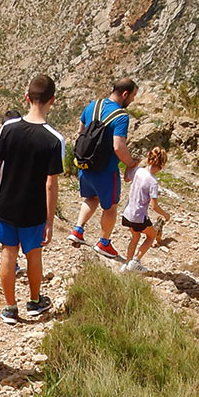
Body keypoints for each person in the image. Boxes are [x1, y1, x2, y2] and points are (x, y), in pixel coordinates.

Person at [0, 74, 65, 325]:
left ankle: (10, 307)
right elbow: (50, 183)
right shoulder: (54, 139)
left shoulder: (8, 129)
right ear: (52, 101)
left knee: (8, 253)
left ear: (26, 97)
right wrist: (50, 220)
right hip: (34, 209)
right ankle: (34, 302)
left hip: (6, 204)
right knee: (34, 254)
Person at [71, 77, 138, 261]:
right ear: (125, 94)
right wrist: (131, 163)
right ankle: (104, 242)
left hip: (85, 165)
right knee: (110, 207)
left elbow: (80, 132)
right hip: (106, 170)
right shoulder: (121, 117)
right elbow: (118, 146)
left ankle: (78, 230)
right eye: (132, 96)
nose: (132, 100)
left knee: (91, 198)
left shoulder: (93, 105)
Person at [120, 147, 172, 272]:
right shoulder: (153, 182)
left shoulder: (138, 171)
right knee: (151, 235)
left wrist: (131, 165)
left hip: (127, 213)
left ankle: (126, 264)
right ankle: (135, 261)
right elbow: (154, 206)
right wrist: (166, 215)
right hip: (139, 216)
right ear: (161, 165)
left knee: (135, 237)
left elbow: (126, 178)